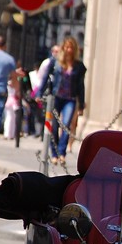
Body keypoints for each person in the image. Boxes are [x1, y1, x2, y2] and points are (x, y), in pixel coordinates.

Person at [39, 36, 87, 166]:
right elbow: (45, 79)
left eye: (71, 47)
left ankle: (62, 153)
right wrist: (39, 92)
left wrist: (81, 104)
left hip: (70, 99)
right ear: (63, 48)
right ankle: (54, 154)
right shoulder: (55, 62)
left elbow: (81, 86)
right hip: (56, 97)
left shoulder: (79, 66)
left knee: (65, 125)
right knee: (53, 125)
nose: (69, 50)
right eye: (67, 47)